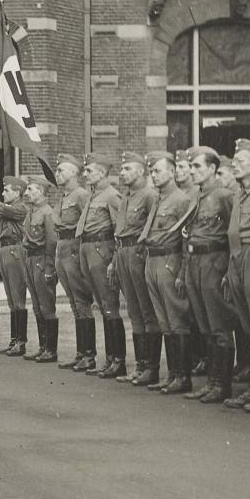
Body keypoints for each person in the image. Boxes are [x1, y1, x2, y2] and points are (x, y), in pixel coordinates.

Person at [179, 146, 235, 404]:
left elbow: (234, 234)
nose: (192, 171)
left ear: (212, 169)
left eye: (197, 166)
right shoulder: (197, 197)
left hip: (214, 261)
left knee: (218, 326)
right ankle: (211, 383)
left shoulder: (223, 196)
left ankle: (221, 385)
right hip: (194, 262)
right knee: (204, 325)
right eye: (191, 167)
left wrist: (229, 269)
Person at [138, 151, 194, 395]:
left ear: (172, 172)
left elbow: (186, 237)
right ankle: (173, 374)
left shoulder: (181, 199)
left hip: (169, 260)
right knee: (164, 320)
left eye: (158, 170)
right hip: (153, 260)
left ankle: (183, 375)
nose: (154, 174)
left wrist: (181, 269)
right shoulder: (159, 199)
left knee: (176, 318)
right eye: (152, 171)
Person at [112, 152, 161, 386]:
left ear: (141, 171)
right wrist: (114, 259)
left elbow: (152, 229)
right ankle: (141, 366)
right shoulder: (126, 196)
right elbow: (120, 229)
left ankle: (151, 367)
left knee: (146, 310)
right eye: (122, 169)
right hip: (123, 253)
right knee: (133, 310)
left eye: (128, 168)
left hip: (138, 254)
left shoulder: (150, 195)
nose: (123, 173)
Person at [76, 153, 125, 377]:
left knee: (109, 305)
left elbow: (120, 230)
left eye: (89, 171)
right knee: (101, 305)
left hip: (101, 250)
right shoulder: (93, 195)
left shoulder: (112, 196)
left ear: (103, 173)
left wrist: (114, 260)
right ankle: (110, 358)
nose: (85, 174)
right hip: (88, 250)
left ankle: (118, 359)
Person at [52, 154, 96, 370]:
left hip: (73, 250)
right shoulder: (64, 197)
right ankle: (81, 353)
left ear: (74, 172)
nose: (57, 174)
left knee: (81, 302)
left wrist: (80, 257)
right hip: (62, 249)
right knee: (73, 303)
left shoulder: (80, 195)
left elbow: (87, 226)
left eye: (61, 170)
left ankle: (89, 354)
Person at [224, 138, 250, 413]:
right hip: (238, 258)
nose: (235, 165)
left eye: (241, 161)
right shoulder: (239, 194)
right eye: (234, 161)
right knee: (248, 325)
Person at [174, 148, 206, 378]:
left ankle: (203, 357)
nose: (179, 171)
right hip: (178, 255)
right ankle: (194, 356)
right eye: (176, 167)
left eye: (183, 167)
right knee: (186, 310)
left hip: (195, 257)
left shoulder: (196, 194)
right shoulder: (178, 193)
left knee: (198, 312)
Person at [21, 176, 59, 363]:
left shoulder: (47, 213)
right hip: (30, 259)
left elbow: (52, 242)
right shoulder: (31, 212)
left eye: (31, 189)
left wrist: (50, 268)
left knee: (46, 305)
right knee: (37, 305)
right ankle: (43, 347)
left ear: (42, 192)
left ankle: (51, 350)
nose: (27, 193)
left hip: (42, 260)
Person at [0, 176, 29, 356]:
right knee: (11, 299)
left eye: (7, 190)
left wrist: (0, 205)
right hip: (5, 251)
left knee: (18, 298)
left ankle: (21, 341)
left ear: (18, 192)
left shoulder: (20, 208)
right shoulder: (7, 210)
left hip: (16, 252)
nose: (3, 193)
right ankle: (14, 339)